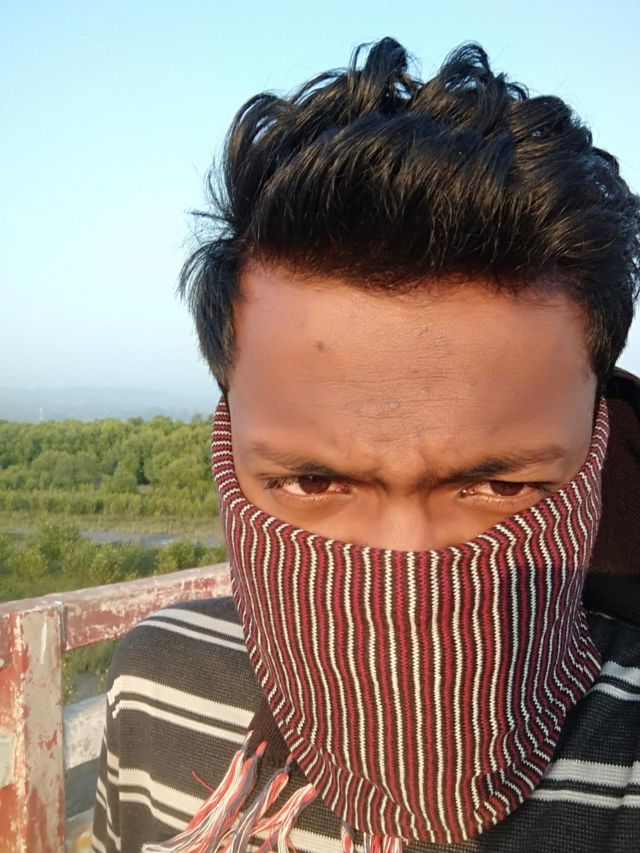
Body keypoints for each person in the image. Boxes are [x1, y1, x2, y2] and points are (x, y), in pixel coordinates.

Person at [91, 38, 640, 853]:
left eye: (501, 488)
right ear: (229, 446)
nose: (404, 574)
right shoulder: (154, 682)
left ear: (598, 443)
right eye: (313, 480)